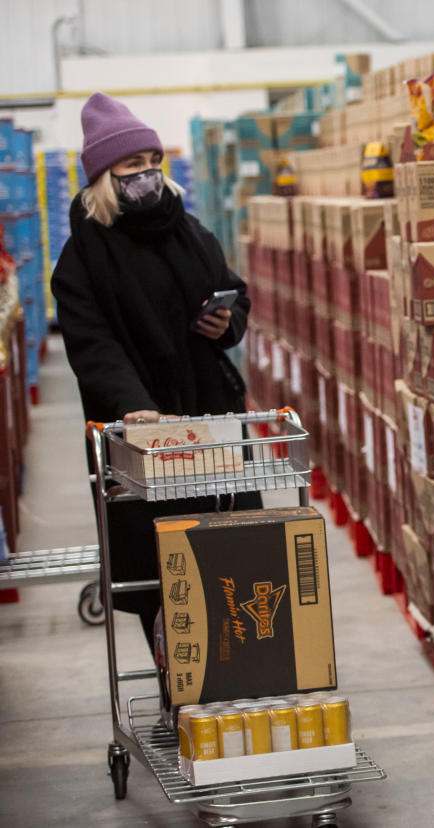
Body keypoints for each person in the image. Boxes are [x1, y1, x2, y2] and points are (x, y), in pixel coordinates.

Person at [52, 93, 257, 652]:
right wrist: (131, 404)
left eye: (151, 162)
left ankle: (242, 665)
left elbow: (234, 291)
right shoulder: (83, 259)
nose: (145, 175)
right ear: (103, 178)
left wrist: (228, 321)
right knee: (160, 567)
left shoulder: (188, 231)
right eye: (130, 167)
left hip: (208, 415)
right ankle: (181, 677)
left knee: (231, 551)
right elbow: (93, 346)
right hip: (143, 431)